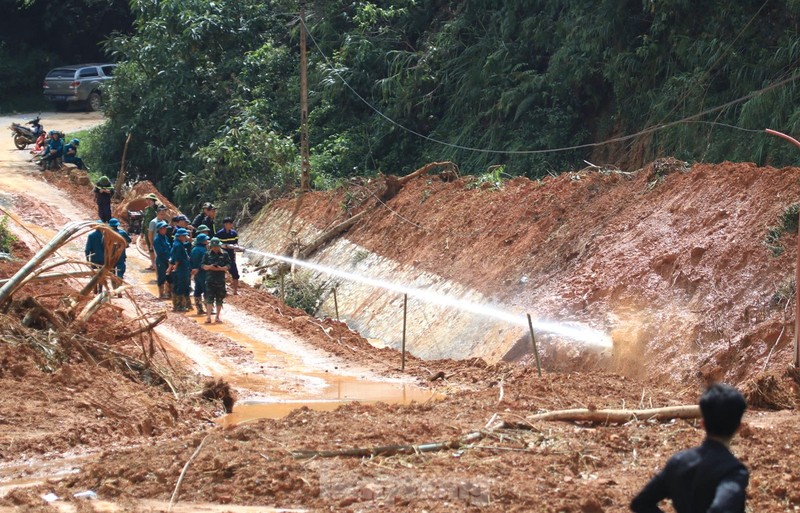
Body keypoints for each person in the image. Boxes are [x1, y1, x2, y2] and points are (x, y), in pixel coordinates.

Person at [630, 383, 748, 513]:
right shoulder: (733, 471)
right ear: (739, 428)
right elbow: (721, 509)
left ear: (702, 424)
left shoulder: (679, 461)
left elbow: (641, 503)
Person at [202, 237, 230, 323]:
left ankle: (217, 316)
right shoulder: (207, 254)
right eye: (213, 247)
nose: (215, 248)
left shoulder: (225, 254)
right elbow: (202, 265)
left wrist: (222, 268)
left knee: (219, 299)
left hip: (220, 280)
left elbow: (229, 265)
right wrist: (209, 267)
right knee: (209, 299)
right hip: (210, 280)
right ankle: (208, 317)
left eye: (216, 246)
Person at [168, 228, 192, 312]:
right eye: (184, 236)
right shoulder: (178, 246)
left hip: (180, 268)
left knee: (177, 286)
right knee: (181, 286)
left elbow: (188, 244)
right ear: (180, 236)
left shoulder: (177, 244)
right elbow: (177, 258)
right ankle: (179, 306)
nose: (185, 237)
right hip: (181, 269)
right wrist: (176, 266)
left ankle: (176, 305)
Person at [216, 217, 241, 295]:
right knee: (220, 274)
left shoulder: (234, 233)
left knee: (235, 273)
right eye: (227, 224)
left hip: (231, 256)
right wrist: (222, 245)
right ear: (224, 224)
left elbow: (236, 243)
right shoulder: (219, 233)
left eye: (230, 224)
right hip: (221, 256)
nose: (229, 225)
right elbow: (215, 243)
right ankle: (221, 290)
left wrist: (236, 247)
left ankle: (235, 291)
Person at [190, 233, 209, 315]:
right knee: (206, 290)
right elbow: (204, 262)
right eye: (205, 240)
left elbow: (191, 261)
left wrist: (194, 270)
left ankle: (199, 308)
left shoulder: (194, 249)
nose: (207, 241)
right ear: (202, 241)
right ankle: (209, 308)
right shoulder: (203, 250)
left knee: (197, 290)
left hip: (196, 273)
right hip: (203, 272)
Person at [84, 222, 105, 294]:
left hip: (94, 258)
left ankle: (95, 288)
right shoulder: (105, 236)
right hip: (103, 259)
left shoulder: (91, 236)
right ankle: (100, 290)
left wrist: (87, 259)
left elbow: (87, 249)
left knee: (94, 274)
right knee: (102, 274)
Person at [153, 220, 172, 299]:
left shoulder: (165, 237)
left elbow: (169, 248)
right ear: (159, 229)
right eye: (163, 228)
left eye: (165, 228)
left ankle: (169, 292)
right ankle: (161, 293)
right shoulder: (157, 240)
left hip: (168, 260)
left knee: (170, 277)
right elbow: (160, 252)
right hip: (161, 260)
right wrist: (167, 259)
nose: (165, 230)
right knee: (162, 276)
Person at [142, 193, 161, 270]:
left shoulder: (157, 210)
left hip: (154, 231)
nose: (148, 201)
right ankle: (152, 264)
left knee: (155, 246)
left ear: (153, 201)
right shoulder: (146, 209)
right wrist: (142, 231)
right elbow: (144, 220)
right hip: (147, 231)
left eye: (150, 200)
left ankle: (157, 264)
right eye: (147, 200)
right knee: (150, 248)